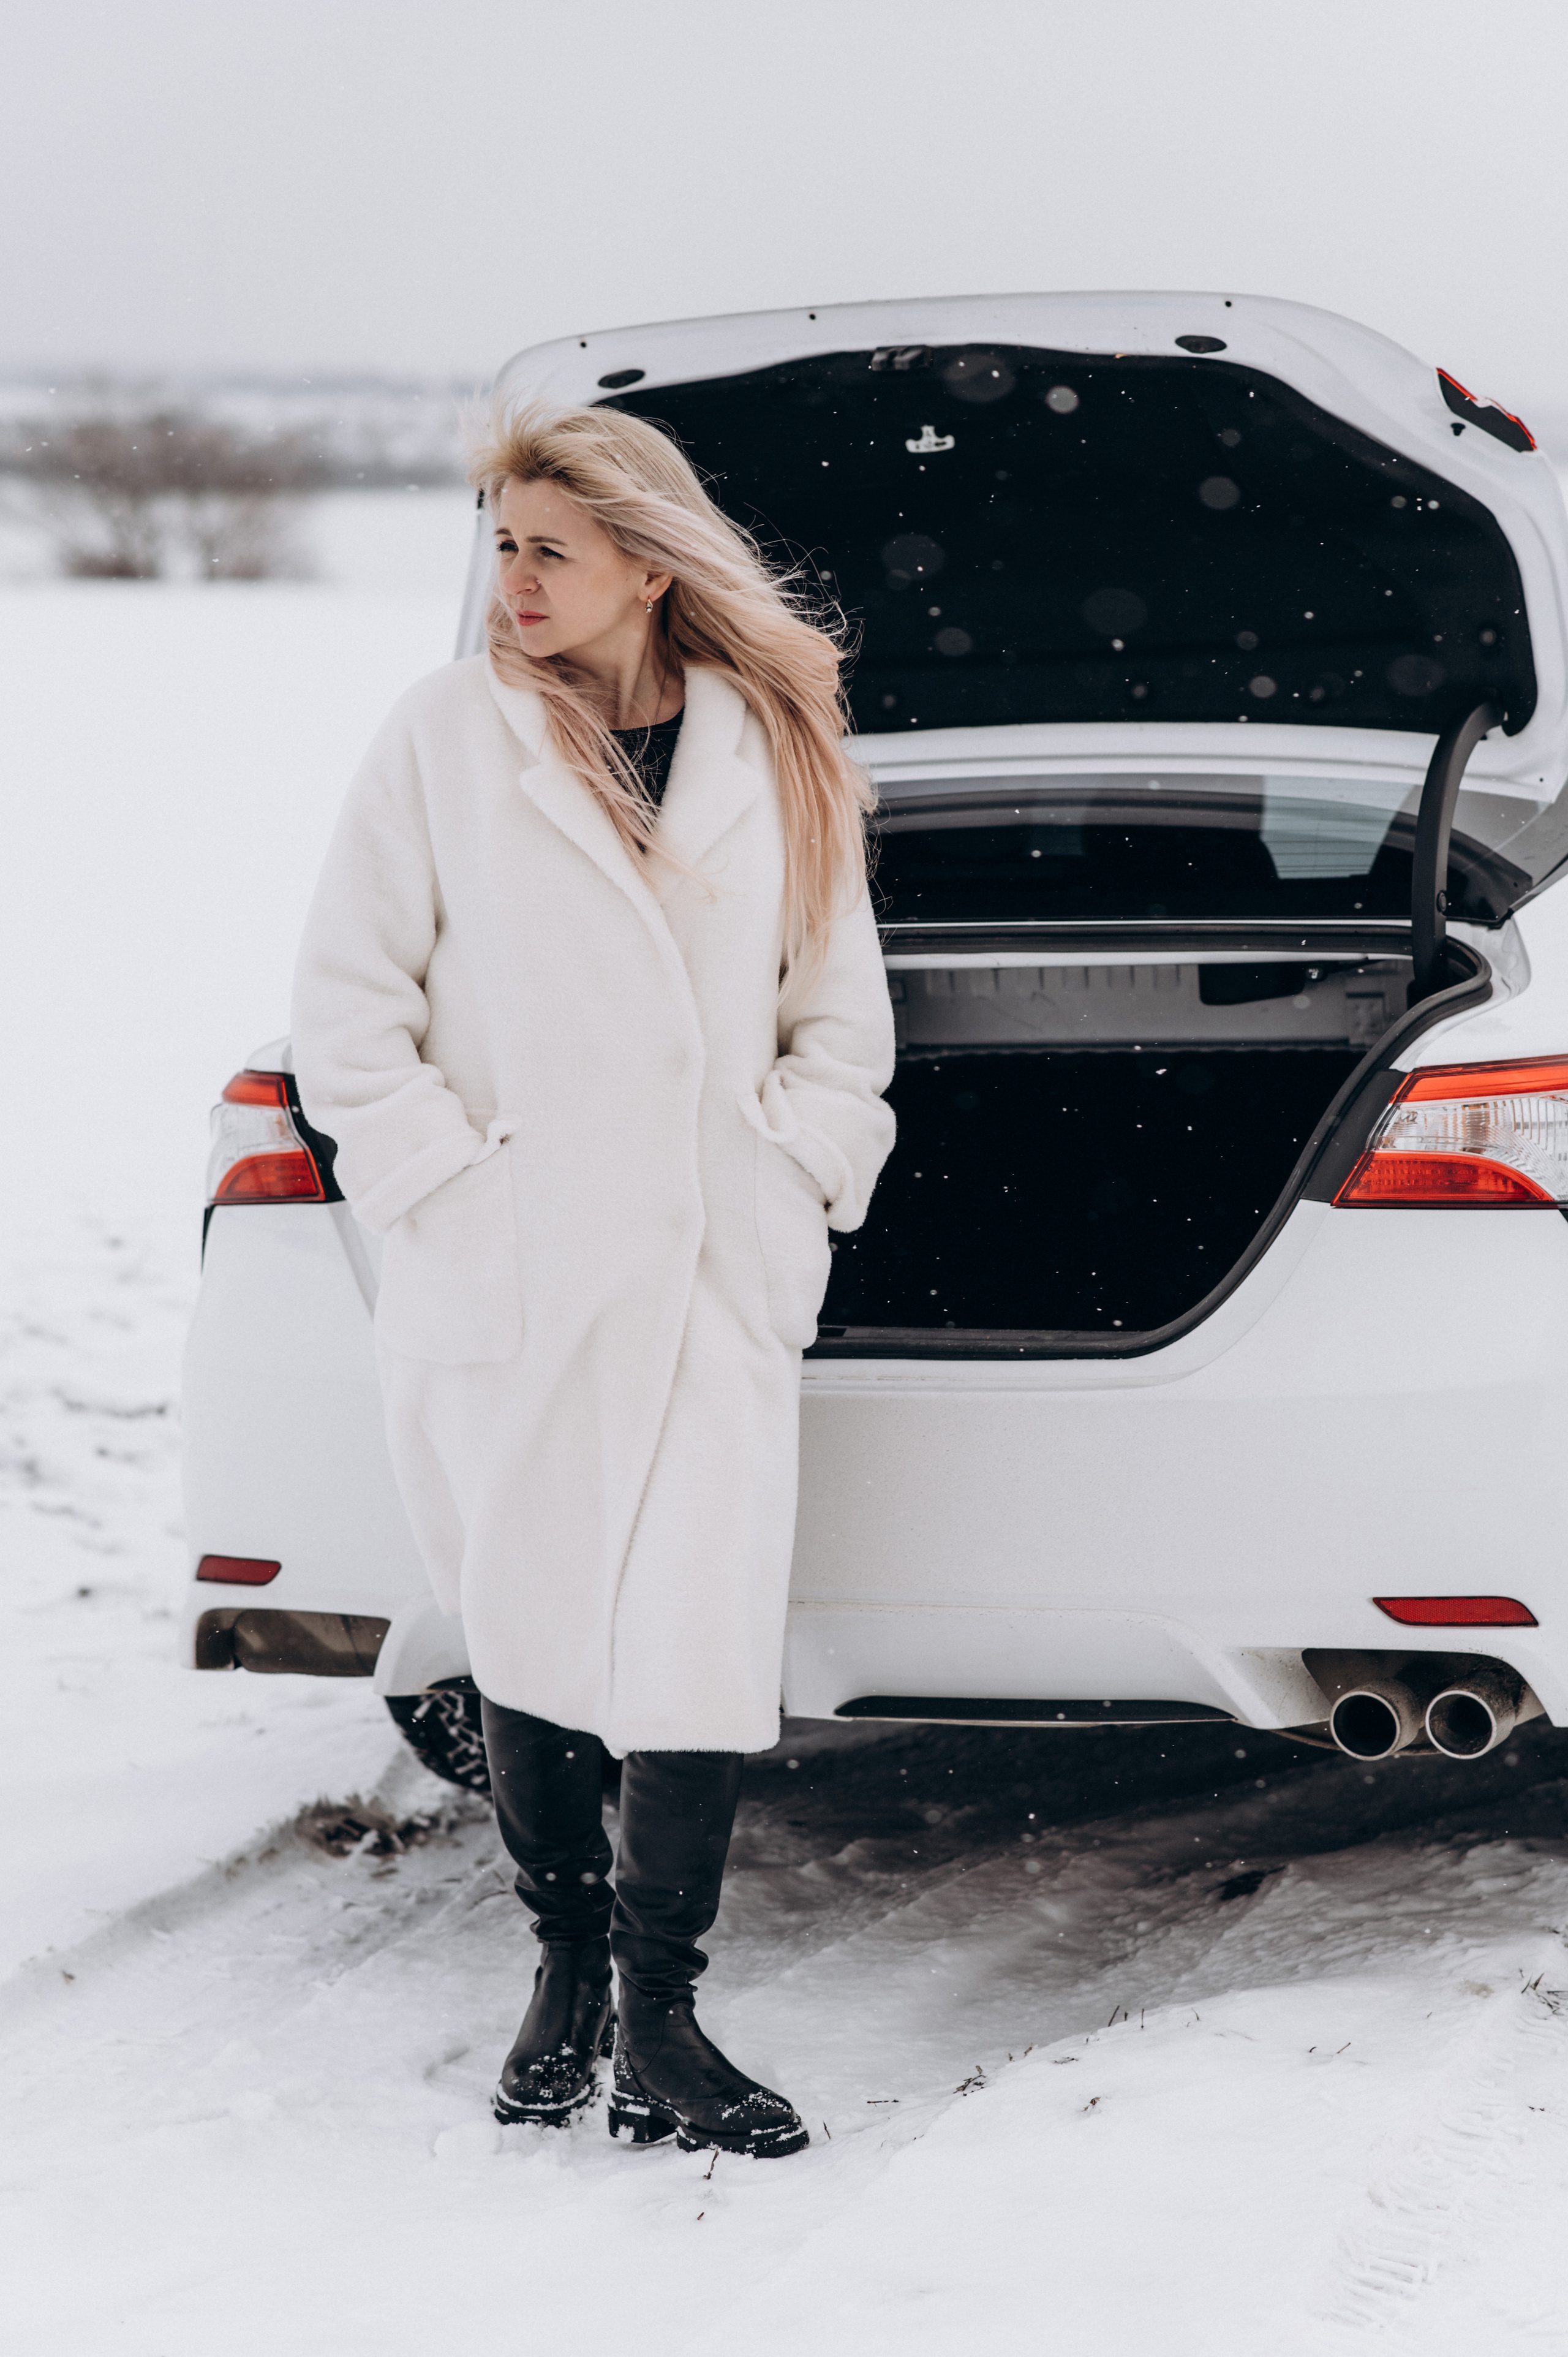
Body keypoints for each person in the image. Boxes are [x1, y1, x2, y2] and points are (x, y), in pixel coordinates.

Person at [290, 401, 896, 2158]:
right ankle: (564, 1968)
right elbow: (349, 1008)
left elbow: (838, 1017)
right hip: (514, 1265)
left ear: (649, 561)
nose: (514, 579)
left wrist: (790, 1180)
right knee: (534, 1619)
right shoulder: (438, 740)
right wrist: (448, 1198)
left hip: (713, 1264)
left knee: (695, 1640)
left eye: (550, 547)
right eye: (500, 544)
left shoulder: (776, 745)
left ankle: (665, 2019)